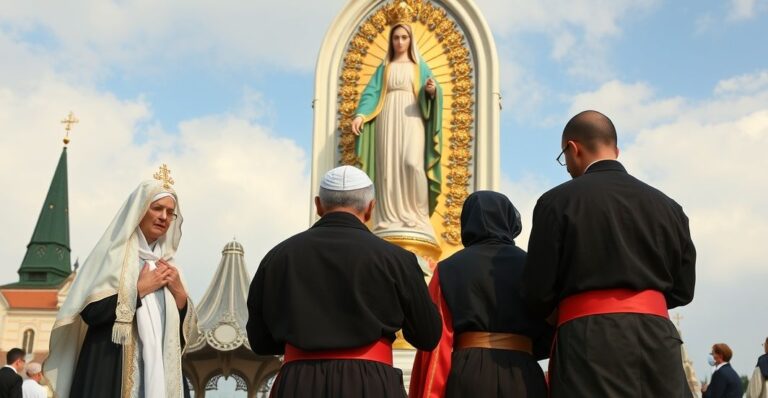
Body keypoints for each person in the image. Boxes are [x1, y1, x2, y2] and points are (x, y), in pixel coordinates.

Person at [522, 110, 696, 397]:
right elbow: (684, 290)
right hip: (658, 340)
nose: (566, 166)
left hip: (587, 340)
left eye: (563, 158)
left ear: (572, 149)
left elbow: (537, 291)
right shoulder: (670, 207)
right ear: (616, 149)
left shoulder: (555, 202)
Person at [247, 165, 442, 398]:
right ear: (370, 208)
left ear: (318, 205)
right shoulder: (398, 259)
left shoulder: (277, 257)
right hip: (371, 383)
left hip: (298, 382)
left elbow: (260, 342)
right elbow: (427, 336)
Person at [44, 175, 197, 398]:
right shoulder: (113, 255)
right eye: (157, 209)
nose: (164, 217)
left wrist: (180, 296)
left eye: (170, 212)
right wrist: (139, 290)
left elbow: (185, 336)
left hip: (163, 373)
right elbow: (91, 312)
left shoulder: (171, 268)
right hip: (112, 366)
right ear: (140, 210)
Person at [410, 191, 553, 398]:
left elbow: (437, 336)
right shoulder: (532, 265)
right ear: (510, 220)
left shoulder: (447, 268)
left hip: (468, 370)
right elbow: (550, 320)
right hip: (523, 372)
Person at [350, 22, 442, 241]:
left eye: (404, 37)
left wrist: (431, 91)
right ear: (391, 41)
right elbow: (371, 94)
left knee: (413, 164)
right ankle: (388, 217)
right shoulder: (385, 67)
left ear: (411, 41)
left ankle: (419, 216)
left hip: (412, 116)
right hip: (388, 116)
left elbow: (433, 90)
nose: (400, 42)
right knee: (389, 168)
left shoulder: (419, 66)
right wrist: (361, 115)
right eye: (396, 38)